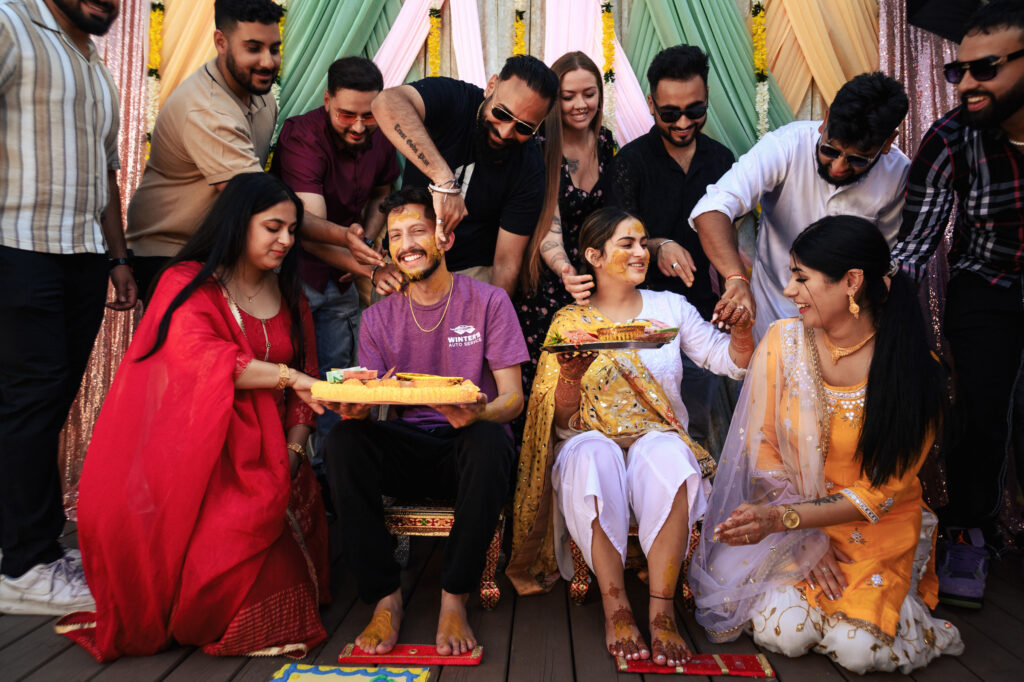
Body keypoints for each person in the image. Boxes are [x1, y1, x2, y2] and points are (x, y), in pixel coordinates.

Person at [57, 173, 331, 661]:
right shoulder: (185, 283)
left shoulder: (291, 292)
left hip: (275, 461)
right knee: (212, 581)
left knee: (285, 596)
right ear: (238, 223)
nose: (286, 240)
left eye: (292, 230)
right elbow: (202, 356)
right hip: (202, 460)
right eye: (274, 227)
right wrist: (289, 378)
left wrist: (292, 451)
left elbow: (308, 378)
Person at [690, 216, 964, 674]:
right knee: (786, 635)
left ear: (852, 282)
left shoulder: (916, 370)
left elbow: (880, 493)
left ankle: (922, 627)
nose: (790, 290)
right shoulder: (783, 342)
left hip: (873, 531)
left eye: (802, 277)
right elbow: (762, 448)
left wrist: (785, 519)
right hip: (793, 525)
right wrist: (800, 535)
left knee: (857, 651)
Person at [509, 208, 753, 667]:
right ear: (594, 256)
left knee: (670, 456)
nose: (642, 252)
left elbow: (731, 363)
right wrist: (569, 379)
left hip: (655, 434)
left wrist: (742, 330)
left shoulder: (670, 309)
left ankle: (661, 614)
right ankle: (616, 606)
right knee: (594, 456)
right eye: (628, 244)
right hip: (588, 439)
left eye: (644, 242)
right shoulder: (571, 322)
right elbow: (559, 421)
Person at [322, 187, 528, 656]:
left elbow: (513, 399)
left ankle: (454, 600)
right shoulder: (377, 319)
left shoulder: (489, 302)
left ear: (444, 239)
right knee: (344, 442)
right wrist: (353, 407)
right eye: (395, 236)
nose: (407, 244)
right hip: (408, 443)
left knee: (491, 440)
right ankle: (385, 599)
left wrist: (477, 411)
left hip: (467, 447)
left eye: (417, 231)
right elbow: (373, 399)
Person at [0, 0, 136, 616]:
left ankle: (36, 549)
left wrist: (118, 257)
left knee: (49, 402)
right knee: (30, 399)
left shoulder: (91, 58)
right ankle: (22, 565)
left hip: (81, 253)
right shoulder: (9, 23)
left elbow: (107, 172)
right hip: (17, 245)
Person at [892, 0, 1024, 608]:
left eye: (985, 69)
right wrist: (880, 310)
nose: (966, 83)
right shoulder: (951, 135)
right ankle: (967, 530)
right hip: (987, 286)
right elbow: (916, 243)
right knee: (978, 406)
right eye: (958, 70)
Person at [692, 72, 911, 342]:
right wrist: (736, 277)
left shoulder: (898, 174)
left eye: (857, 160)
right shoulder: (787, 145)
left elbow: (883, 259)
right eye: (830, 150)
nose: (838, 167)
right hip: (774, 310)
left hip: (846, 326)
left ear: (888, 142)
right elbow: (712, 209)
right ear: (826, 120)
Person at [607, 45, 736, 448]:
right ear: (650, 103)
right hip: (641, 321)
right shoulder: (629, 162)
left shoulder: (722, 159)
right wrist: (657, 244)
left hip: (702, 314)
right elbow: (613, 239)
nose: (683, 122)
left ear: (708, 97)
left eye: (695, 111)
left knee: (700, 432)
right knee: (645, 432)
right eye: (669, 113)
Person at [272, 56, 401, 454]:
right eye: (347, 114)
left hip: (342, 281)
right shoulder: (302, 136)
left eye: (370, 116)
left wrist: (369, 238)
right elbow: (308, 229)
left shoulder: (381, 136)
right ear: (327, 100)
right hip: (291, 279)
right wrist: (365, 262)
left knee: (338, 382)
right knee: (285, 380)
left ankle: (330, 484)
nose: (360, 126)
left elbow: (384, 190)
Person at [126, 0, 287, 297]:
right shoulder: (206, 108)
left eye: (274, 49)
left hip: (222, 251)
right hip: (172, 255)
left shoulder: (264, 99)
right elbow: (255, 202)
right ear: (220, 42)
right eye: (253, 48)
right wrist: (342, 240)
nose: (267, 62)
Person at [371, 55, 557, 295]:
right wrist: (444, 180)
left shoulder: (530, 166)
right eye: (501, 113)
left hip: (471, 273)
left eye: (524, 128)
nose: (505, 131)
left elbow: (506, 263)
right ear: (491, 86)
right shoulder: (456, 98)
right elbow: (386, 103)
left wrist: (495, 319)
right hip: (405, 262)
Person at [516, 51, 617, 393]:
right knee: (548, 389)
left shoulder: (606, 142)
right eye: (568, 96)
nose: (580, 104)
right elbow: (548, 227)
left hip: (598, 287)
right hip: (550, 284)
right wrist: (565, 271)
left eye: (589, 94)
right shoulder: (540, 147)